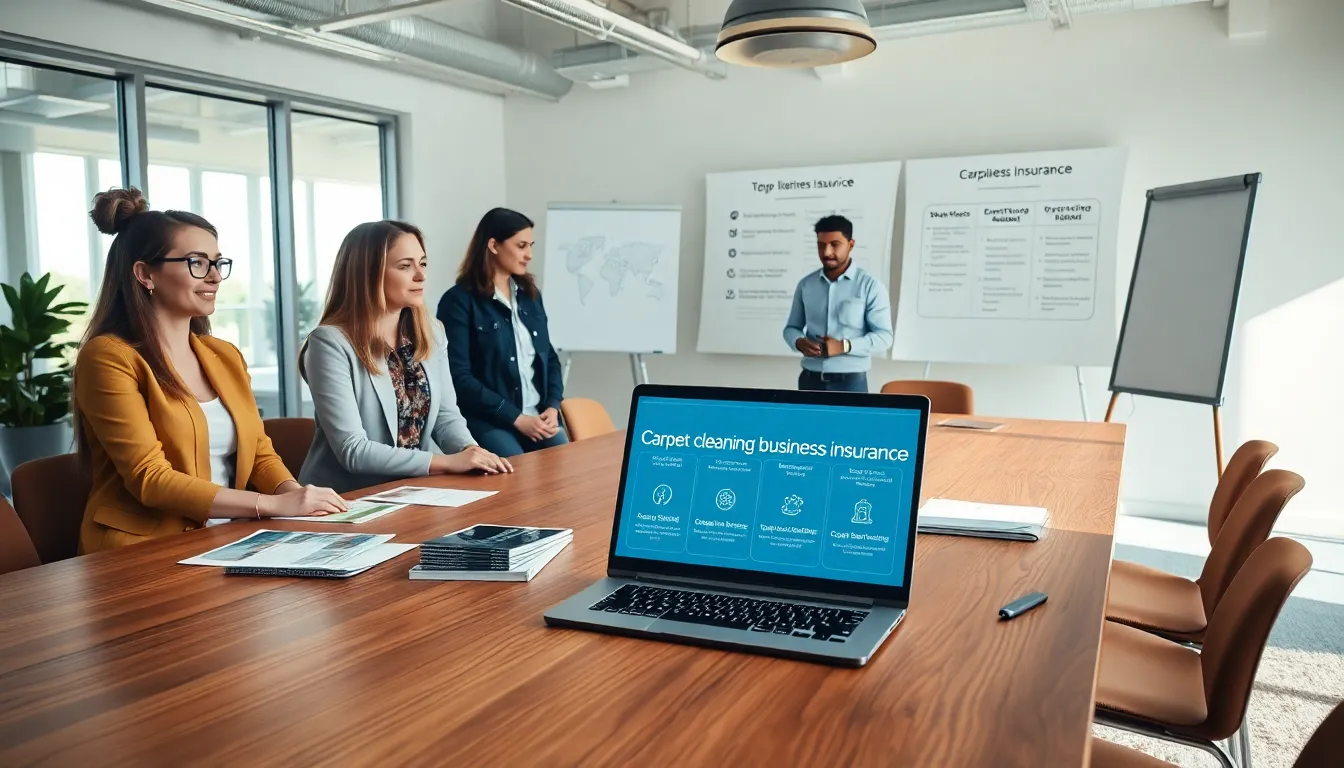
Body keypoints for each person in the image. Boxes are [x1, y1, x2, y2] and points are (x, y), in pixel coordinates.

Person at [74, 188, 348, 554]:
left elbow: (260, 452)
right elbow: (149, 479)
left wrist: (294, 494)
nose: (215, 277)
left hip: (228, 541)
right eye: (197, 263)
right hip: (141, 551)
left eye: (218, 263)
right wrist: (270, 506)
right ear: (145, 274)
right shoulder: (108, 357)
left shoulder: (224, 355)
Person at [299, 220, 512, 494]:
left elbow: (446, 417)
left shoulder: (431, 332)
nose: (421, 276)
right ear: (368, 274)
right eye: (405, 266)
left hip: (411, 493)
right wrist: (447, 463)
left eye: (422, 264)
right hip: (345, 501)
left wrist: (470, 451)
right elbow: (353, 450)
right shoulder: (330, 342)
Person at [438, 208, 567, 458]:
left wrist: (552, 406)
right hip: (490, 422)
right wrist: (515, 417)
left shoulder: (530, 296)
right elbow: (458, 376)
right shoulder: (458, 301)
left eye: (530, 245)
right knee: (519, 475)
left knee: (567, 468)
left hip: (538, 418)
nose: (529, 254)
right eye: (521, 246)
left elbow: (548, 358)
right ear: (494, 245)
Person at [783, 214, 894, 392]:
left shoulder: (870, 286)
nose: (826, 252)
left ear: (851, 245)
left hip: (850, 384)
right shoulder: (806, 285)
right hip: (809, 380)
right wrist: (798, 342)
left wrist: (844, 346)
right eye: (821, 245)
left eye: (834, 244)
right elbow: (791, 328)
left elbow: (884, 337)